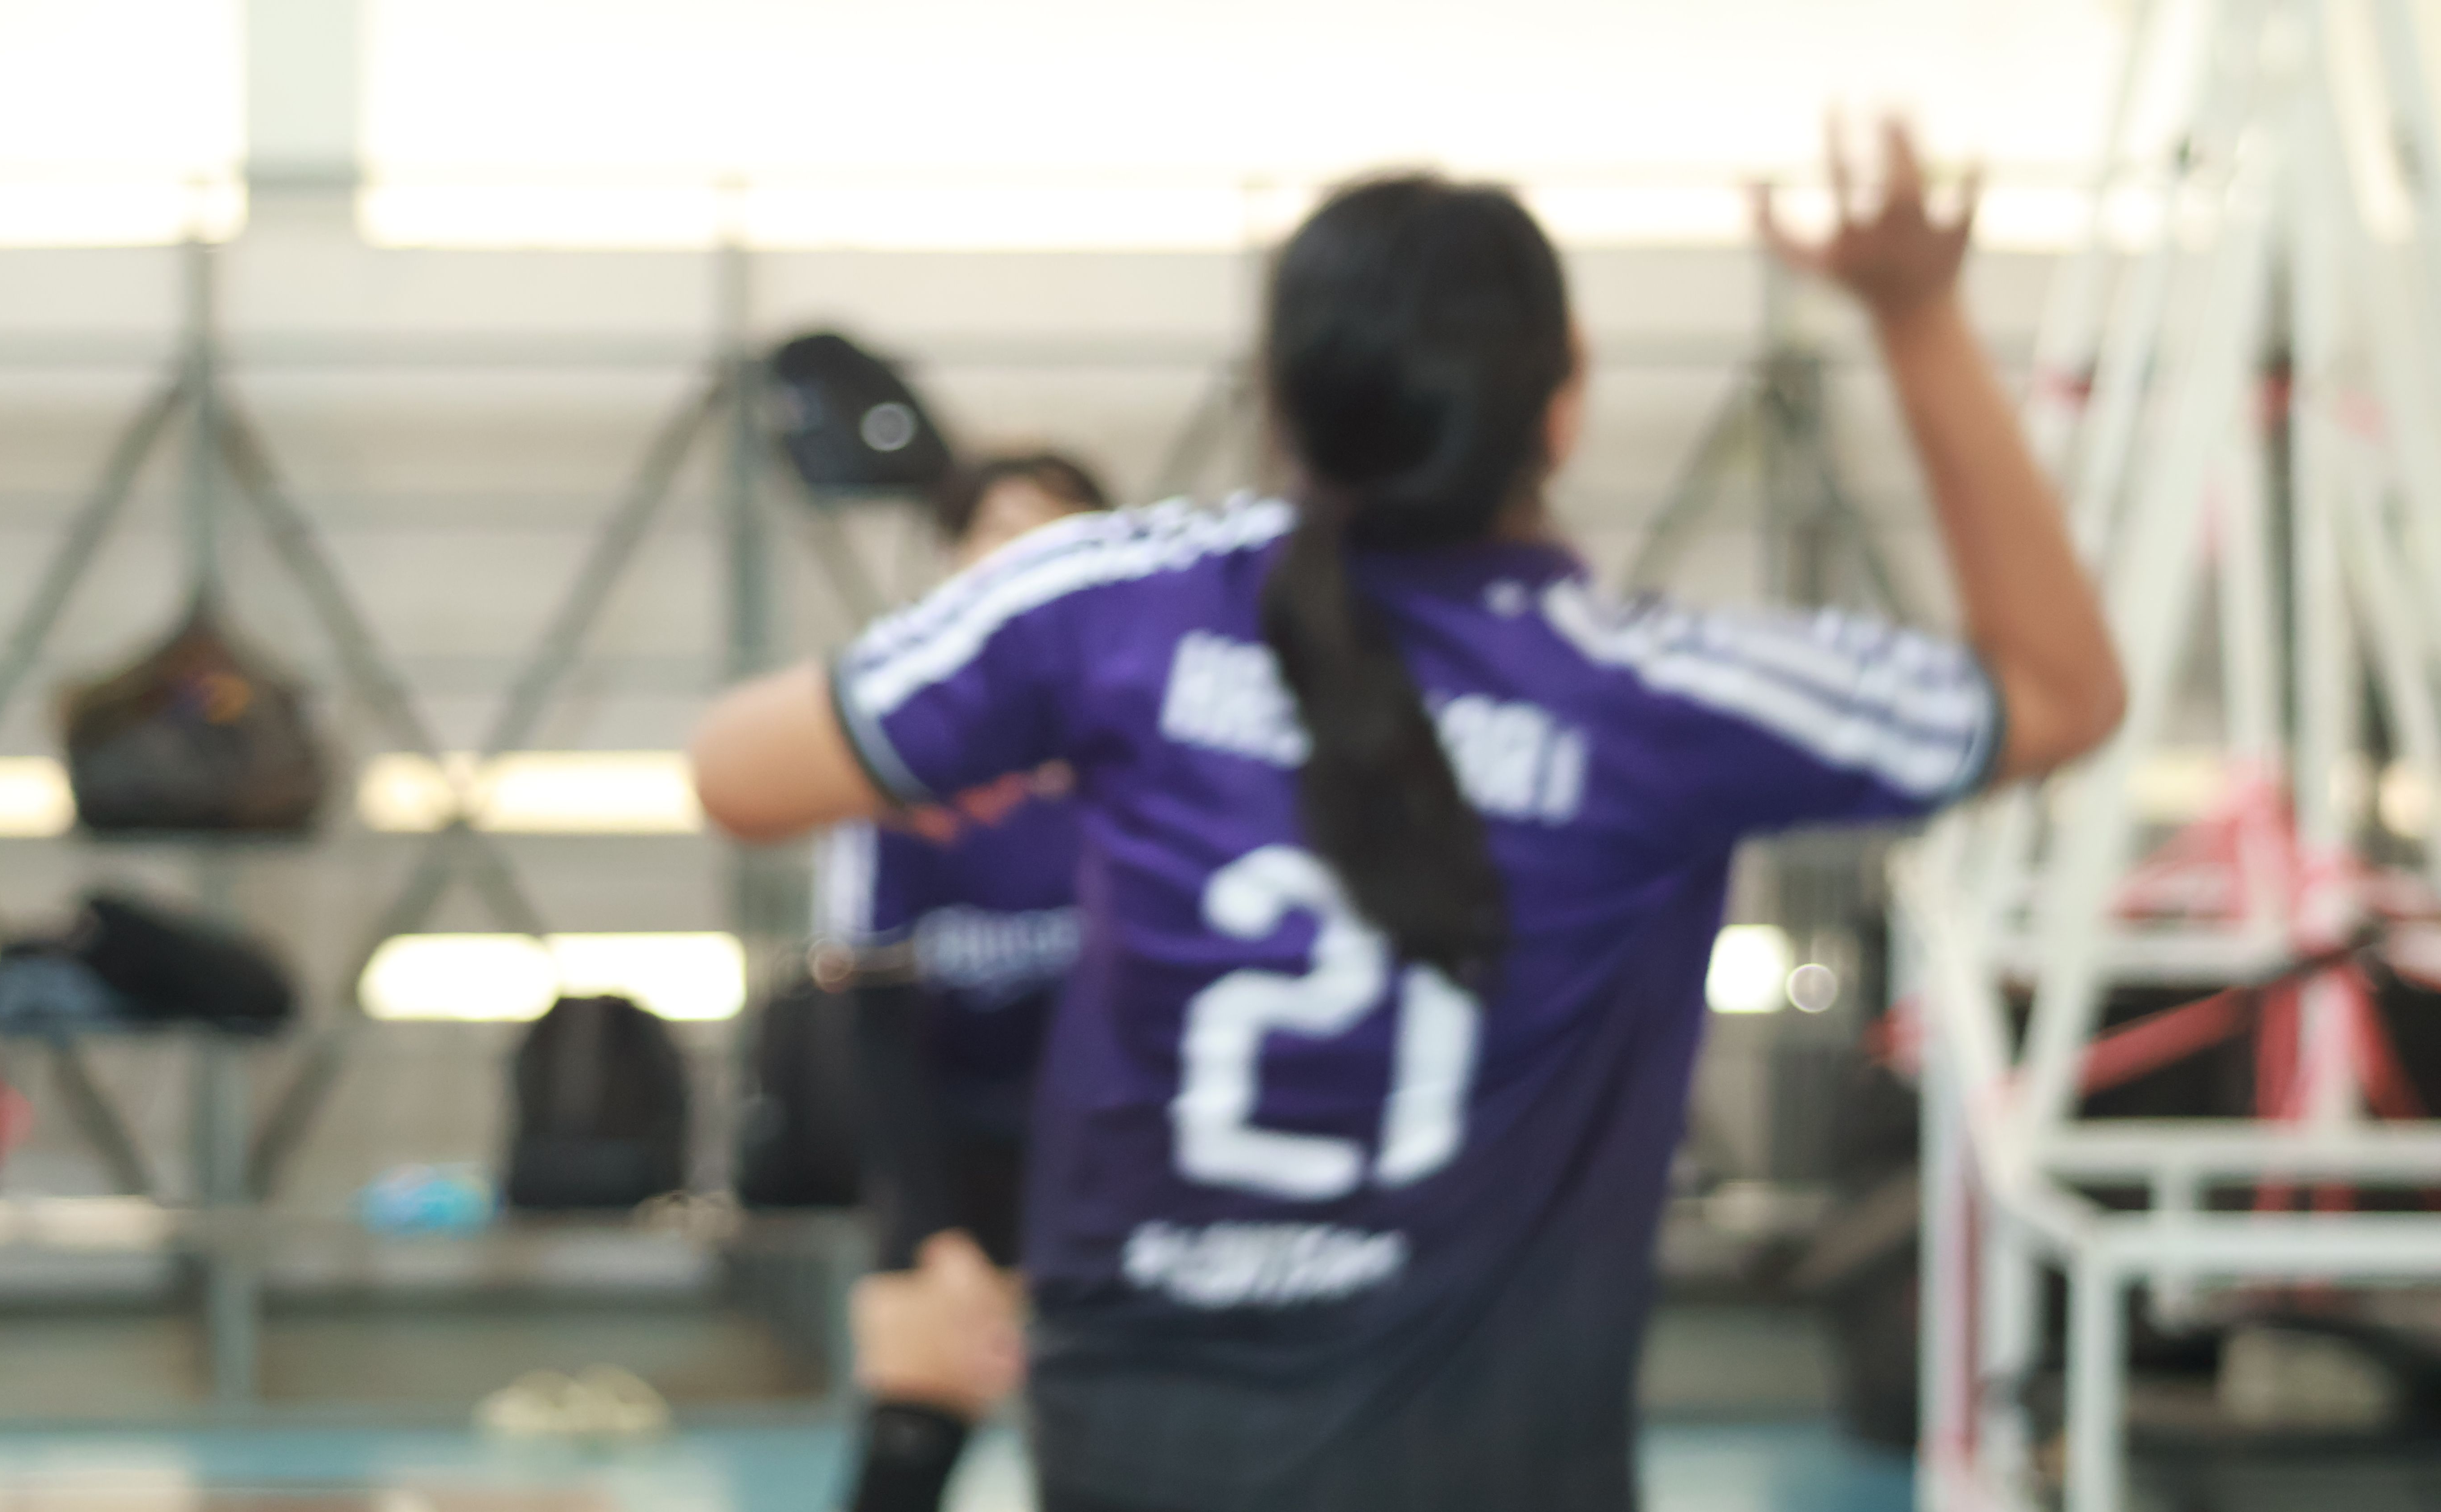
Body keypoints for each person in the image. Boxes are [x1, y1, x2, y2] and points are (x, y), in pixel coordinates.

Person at [692, 119, 2123, 1512]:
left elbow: (738, 774)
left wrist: (994, 751)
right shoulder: (1657, 700)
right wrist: (1915, 314)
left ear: (1277, 400)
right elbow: (2062, 694)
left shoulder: (1110, 612)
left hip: (1138, 1445)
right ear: (1564, 402)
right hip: (1488, 1460)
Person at [818, 452, 1113, 1512]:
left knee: (1126, 1457)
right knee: (907, 1448)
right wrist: (932, 1234)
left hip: (1117, 1169)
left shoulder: (1141, 760)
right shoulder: (903, 770)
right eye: (995, 531)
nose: (1020, 558)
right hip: (955, 1160)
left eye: (1054, 533)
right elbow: (873, 1023)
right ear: (951, 562)